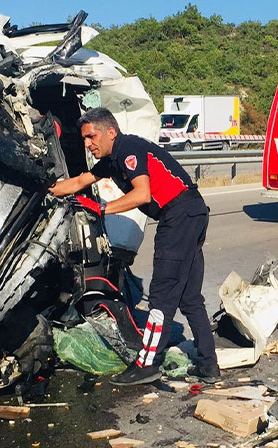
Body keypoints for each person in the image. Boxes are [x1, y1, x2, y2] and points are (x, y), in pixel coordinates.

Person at [49, 107, 218, 386]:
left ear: (110, 132)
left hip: (178, 216)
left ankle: (147, 364)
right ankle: (209, 365)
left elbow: (142, 194)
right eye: (84, 139)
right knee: (189, 298)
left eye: (91, 137)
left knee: (161, 297)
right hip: (192, 213)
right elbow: (79, 181)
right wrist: (47, 188)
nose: (87, 144)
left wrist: (103, 209)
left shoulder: (129, 149)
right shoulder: (110, 161)